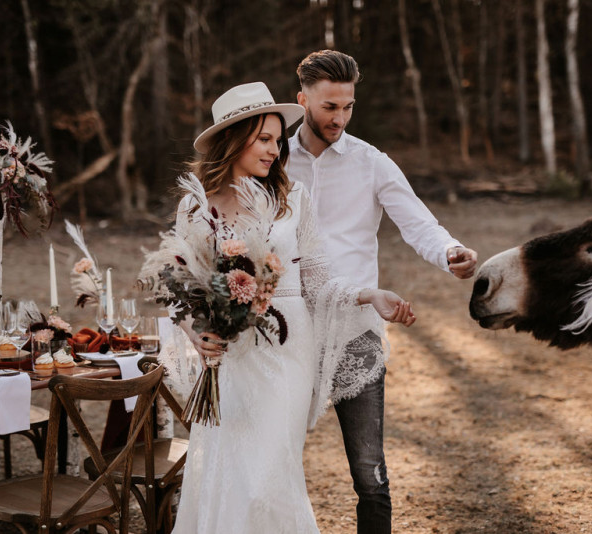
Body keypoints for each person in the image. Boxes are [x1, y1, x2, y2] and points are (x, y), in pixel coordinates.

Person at [152, 82, 417, 533]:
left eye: (278, 140)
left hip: (287, 348)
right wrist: (200, 334)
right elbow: (181, 286)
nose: (276, 150)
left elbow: (317, 278)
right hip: (230, 359)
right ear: (233, 140)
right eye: (264, 139)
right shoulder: (194, 206)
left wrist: (368, 295)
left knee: (268, 476)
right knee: (226, 468)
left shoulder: (293, 200)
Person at [287, 50, 478, 534]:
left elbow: (419, 223)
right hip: (287, 331)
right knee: (277, 466)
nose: (340, 117)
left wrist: (451, 251)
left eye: (348, 106)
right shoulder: (272, 159)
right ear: (302, 98)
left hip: (356, 329)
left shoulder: (372, 163)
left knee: (370, 477)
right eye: (330, 106)